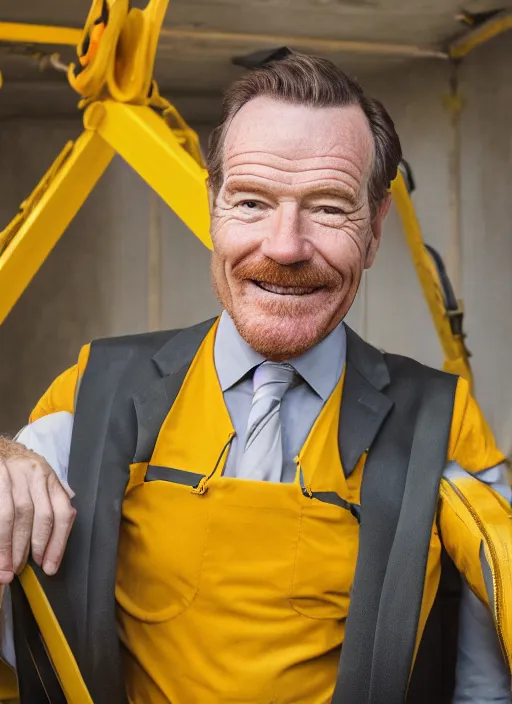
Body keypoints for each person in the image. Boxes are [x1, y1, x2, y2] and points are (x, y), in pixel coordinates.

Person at [0, 53, 511, 704]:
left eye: (328, 208)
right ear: (214, 207)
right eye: (251, 201)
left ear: (376, 228)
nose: (286, 246)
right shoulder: (94, 390)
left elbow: (484, 684)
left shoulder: (445, 422)